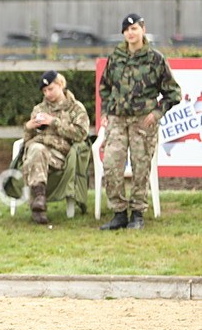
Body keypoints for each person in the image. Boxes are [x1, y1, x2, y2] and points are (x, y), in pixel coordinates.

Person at [97, 12, 182, 230]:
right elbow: (105, 87)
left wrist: (156, 112)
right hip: (117, 121)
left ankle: (137, 213)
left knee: (140, 167)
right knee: (111, 165)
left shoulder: (155, 59)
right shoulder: (116, 57)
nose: (130, 33)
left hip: (142, 122)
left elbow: (173, 93)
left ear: (143, 29)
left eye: (134, 28)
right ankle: (118, 212)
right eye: (126, 30)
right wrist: (106, 111)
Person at [21, 70, 90, 225]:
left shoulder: (75, 108)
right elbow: (26, 142)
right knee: (36, 150)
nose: (48, 94)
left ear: (61, 85)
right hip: (36, 149)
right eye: (44, 91)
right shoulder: (39, 109)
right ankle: (39, 201)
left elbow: (81, 134)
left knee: (36, 152)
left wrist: (54, 122)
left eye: (50, 89)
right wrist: (28, 127)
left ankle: (38, 201)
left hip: (60, 154)